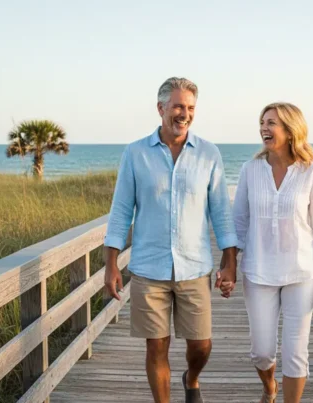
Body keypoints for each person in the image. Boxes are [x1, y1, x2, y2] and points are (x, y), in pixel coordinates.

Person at [103, 77, 238, 403]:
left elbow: (220, 212)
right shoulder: (136, 153)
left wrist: (230, 261)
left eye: (190, 107)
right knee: (156, 345)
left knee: (201, 345)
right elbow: (121, 212)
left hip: (194, 267)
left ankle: (191, 378)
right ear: (161, 107)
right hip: (149, 267)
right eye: (178, 106)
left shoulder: (209, 154)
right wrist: (110, 263)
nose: (184, 113)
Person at [229, 102, 313, 403]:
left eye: (272, 123)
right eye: (262, 122)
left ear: (291, 131)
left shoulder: (311, 172)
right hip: (259, 269)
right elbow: (239, 221)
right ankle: (269, 386)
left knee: (295, 352)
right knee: (262, 351)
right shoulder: (250, 170)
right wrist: (229, 264)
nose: (264, 127)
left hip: (302, 272)